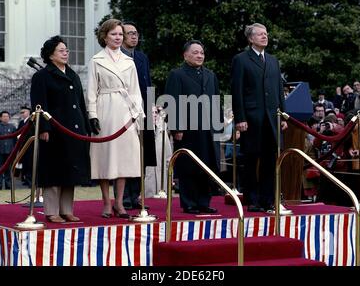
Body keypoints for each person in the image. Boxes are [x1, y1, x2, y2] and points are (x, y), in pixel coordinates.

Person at [30, 35, 91, 223]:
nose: (66, 53)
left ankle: (67, 209)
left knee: (70, 171)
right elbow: (40, 104)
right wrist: (43, 128)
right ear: (50, 55)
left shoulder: (73, 74)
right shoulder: (42, 76)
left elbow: (80, 103)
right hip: (54, 129)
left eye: (66, 50)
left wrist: (85, 127)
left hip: (74, 129)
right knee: (54, 170)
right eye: (61, 50)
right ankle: (51, 211)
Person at [87, 18, 144, 218]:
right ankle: (106, 202)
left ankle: (119, 203)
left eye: (121, 34)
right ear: (104, 36)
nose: (118, 37)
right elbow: (92, 91)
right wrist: (92, 115)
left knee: (123, 159)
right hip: (105, 109)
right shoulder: (96, 60)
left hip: (125, 111)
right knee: (104, 157)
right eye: (114, 34)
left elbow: (135, 90)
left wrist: (138, 114)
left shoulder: (129, 61)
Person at [231, 23, 288, 212]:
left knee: (270, 160)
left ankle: (268, 199)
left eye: (266, 33)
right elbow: (237, 90)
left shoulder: (273, 60)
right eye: (260, 34)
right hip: (251, 117)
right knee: (251, 158)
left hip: (272, 117)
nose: (265, 36)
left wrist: (283, 115)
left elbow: (279, 90)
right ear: (250, 38)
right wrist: (240, 117)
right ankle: (252, 199)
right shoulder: (241, 59)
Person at [165, 40, 222, 214]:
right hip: (187, 129)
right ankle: (189, 202)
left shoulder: (210, 75)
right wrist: (176, 128)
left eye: (202, 53)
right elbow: (172, 101)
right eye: (195, 52)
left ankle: (204, 201)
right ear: (186, 55)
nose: (199, 56)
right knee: (188, 165)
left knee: (207, 164)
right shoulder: (177, 74)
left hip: (208, 128)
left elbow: (216, 100)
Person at [119, 21, 157, 210]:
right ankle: (124, 197)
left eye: (136, 33)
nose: (134, 36)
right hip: (124, 113)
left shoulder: (142, 58)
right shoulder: (116, 57)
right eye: (130, 33)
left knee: (142, 155)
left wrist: (152, 108)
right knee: (127, 155)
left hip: (144, 111)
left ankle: (136, 195)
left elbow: (147, 84)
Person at [0, 111, 16, 190]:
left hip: (9, 151)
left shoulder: (13, 127)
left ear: (9, 117)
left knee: (9, 169)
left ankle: (8, 186)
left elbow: (15, 140)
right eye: (4, 116)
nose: (5, 118)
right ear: (1, 117)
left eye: (7, 116)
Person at [17, 106, 32, 187]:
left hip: (30, 145)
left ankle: (30, 180)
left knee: (30, 163)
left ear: (28, 112)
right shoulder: (21, 122)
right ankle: (26, 179)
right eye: (21, 112)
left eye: (24, 112)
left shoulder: (31, 121)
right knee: (25, 163)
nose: (22, 114)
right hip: (23, 145)